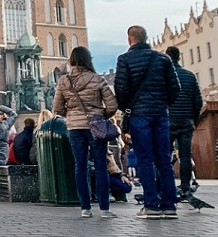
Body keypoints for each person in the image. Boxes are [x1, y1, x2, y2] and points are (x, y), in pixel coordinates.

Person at [114, 25, 180, 220]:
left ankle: (151, 205)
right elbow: (175, 87)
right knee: (164, 160)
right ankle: (169, 205)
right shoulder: (163, 58)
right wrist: (163, 103)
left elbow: (121, 89)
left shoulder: (124, 59)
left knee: (145, 160)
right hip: (161, 115)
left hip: (139, 116)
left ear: (129, 39)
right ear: (146, 38)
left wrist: (128, 107)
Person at [53, 45, 119, 219]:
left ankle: (85, 208)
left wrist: (72, 115)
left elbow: (57, 108)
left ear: (72, 61)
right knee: (101, 167)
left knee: (80, 167)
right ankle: (104, 209)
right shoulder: (97, 79)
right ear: (88, 60)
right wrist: (100, 115)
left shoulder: (64, 81)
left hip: (75, 128)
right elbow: (112, 105)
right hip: (95, 126)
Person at [165, 45, 202, 202]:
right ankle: (186, 188)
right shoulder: (190, 76)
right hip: (187, 121)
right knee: (185, 156)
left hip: (167, 121)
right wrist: (193, 119)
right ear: (179, 57)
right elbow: (198, 101)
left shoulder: (163, 76)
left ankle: (167, 187)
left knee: (165, 155)